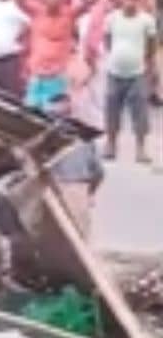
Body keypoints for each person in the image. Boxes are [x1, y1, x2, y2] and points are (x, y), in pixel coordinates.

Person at [101, 0, 157, 163]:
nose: (130, 2)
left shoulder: (147, 20)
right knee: (111, 109)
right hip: (114, 72)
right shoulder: (112, 18)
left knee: (140, 112)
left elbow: (151, 46)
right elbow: (107, 41)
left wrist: (149, 67)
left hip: (137, 73)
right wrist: (118, 56)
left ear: (138, 1)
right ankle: (110, 144)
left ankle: (141, 149)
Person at [47, 93, 104, 237]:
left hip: (54, 187)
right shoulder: (84, 136)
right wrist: (90, 194)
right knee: (79, 235)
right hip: (77, 189)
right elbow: (98, 171)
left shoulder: (44, 133)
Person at [20, 0, 81, 111]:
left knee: (52, 115)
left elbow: (88, 1)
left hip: (56, 76)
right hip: (37, 74)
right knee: (30, 112)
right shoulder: (37, 11)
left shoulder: (68, 14)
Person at [72, 0, 113, 129]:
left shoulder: (106, 4)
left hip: (100, 55)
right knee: (81, 98)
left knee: (99, 96)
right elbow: (72, 26)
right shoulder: (77, 0)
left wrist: (96, 54)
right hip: (81, 53)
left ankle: (100, 135)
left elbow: (109, 34)